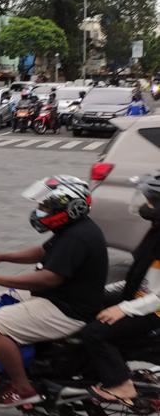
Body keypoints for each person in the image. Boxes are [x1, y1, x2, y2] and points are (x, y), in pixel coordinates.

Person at [0, 175, 108, 407]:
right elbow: (41, 252)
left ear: (71, 208)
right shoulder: (74, 229)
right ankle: (29, 359)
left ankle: (23, 389)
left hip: (68, 309)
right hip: (64, 297)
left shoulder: (78, 237)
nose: (40, 211)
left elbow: (47, 279)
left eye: (46, 206)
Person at [77, 172, 160, 404]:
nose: (146, 205)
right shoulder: (155, 231)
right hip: (142, 299)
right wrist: (101, 291)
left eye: (151, 200)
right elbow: (139, 278)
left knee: (94, 332)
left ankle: (121, 386)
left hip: (154, 310)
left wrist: (123, 308)